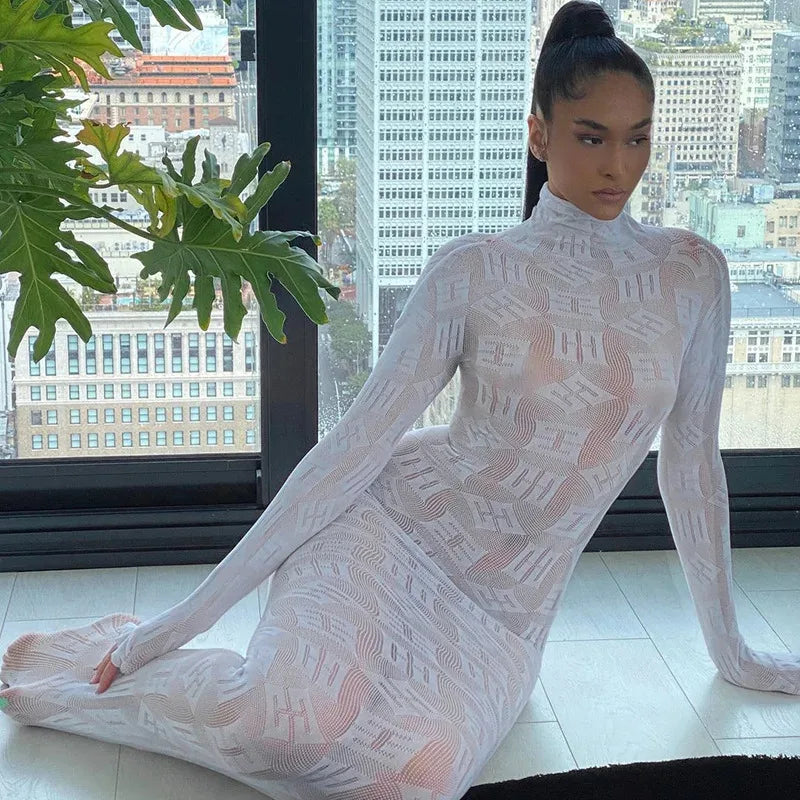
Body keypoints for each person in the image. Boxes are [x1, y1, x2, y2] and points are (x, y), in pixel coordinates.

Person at [2, 1, 799, 798]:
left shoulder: (692, 274)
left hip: (506, 615)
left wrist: (732, 651)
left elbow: (691, 466)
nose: (618, 166)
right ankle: (103, 668)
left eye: (637, 139)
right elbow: (356, 447)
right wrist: (182, 620)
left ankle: (269, 687)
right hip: (389, 530)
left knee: (412, 784)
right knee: (289, 727)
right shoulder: (474, 270)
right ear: (539, 134)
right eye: (592, 138)